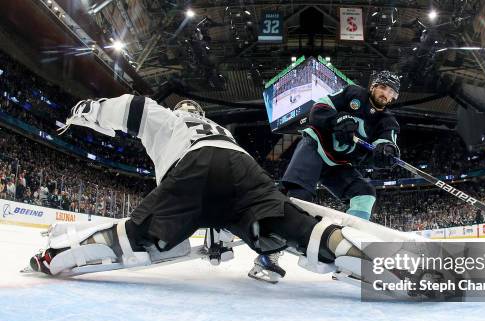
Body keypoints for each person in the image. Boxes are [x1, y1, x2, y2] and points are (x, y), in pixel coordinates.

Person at [28, 95, 403, 285]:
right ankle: (355, 252)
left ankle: (59, 254)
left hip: (193, 169)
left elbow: (133, 106)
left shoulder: (172, 118)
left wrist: (87, 111)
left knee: (139, 235)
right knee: (293, 228)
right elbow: (224, 188)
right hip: (243, 170)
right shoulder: (222, 130)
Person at [250, 71, 402, 283]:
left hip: (338, 164)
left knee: (365, 194)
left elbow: (387, 144)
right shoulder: (353, 93)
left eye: (391, 92)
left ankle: (350, 254)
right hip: (315, 147)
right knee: (297, 199)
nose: (386, 94)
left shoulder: (388, 121)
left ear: (394, 97)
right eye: (383, 87)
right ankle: (268, 255)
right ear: (373, 86)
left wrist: (385, 152)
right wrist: (337, 119)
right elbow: (318, 108)